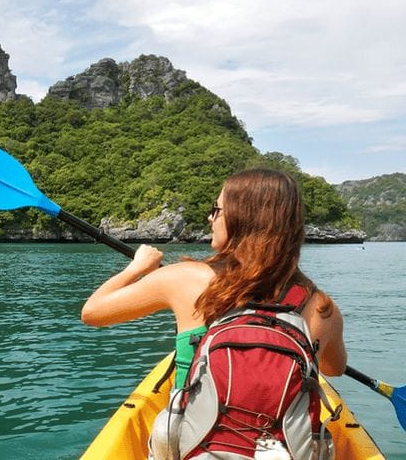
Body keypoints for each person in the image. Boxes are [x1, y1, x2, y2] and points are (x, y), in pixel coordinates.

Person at [81, 168, 347, 457]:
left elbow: (92, 312)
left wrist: (138, 267)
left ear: (242, 218)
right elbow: (335, 369)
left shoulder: (183, 279)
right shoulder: (322, 308)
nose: (210, 217)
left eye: (216, 209)